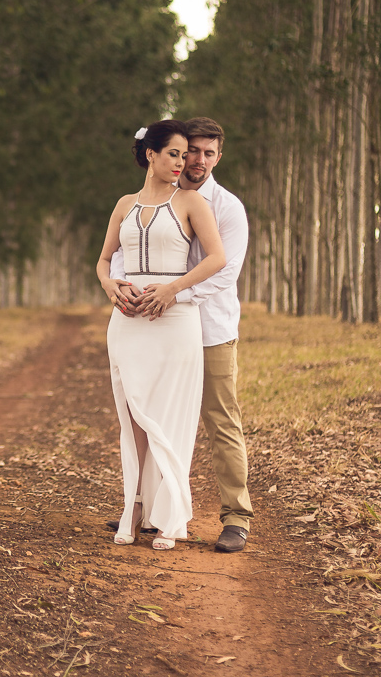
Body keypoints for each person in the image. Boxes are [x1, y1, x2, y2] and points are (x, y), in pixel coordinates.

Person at [107, 117, 253, 553]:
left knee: (219, 419)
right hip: (150, 325)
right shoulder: (151, 200)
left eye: (210, 153)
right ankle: (152, 507)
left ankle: (236, 517)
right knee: (149, 413)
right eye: (193, 151)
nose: (199, 160)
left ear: (218, 157)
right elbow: (122, 256)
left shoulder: (225, 206)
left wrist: (174, 294)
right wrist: (124, 288)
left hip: (208, 328)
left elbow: (225, 270)